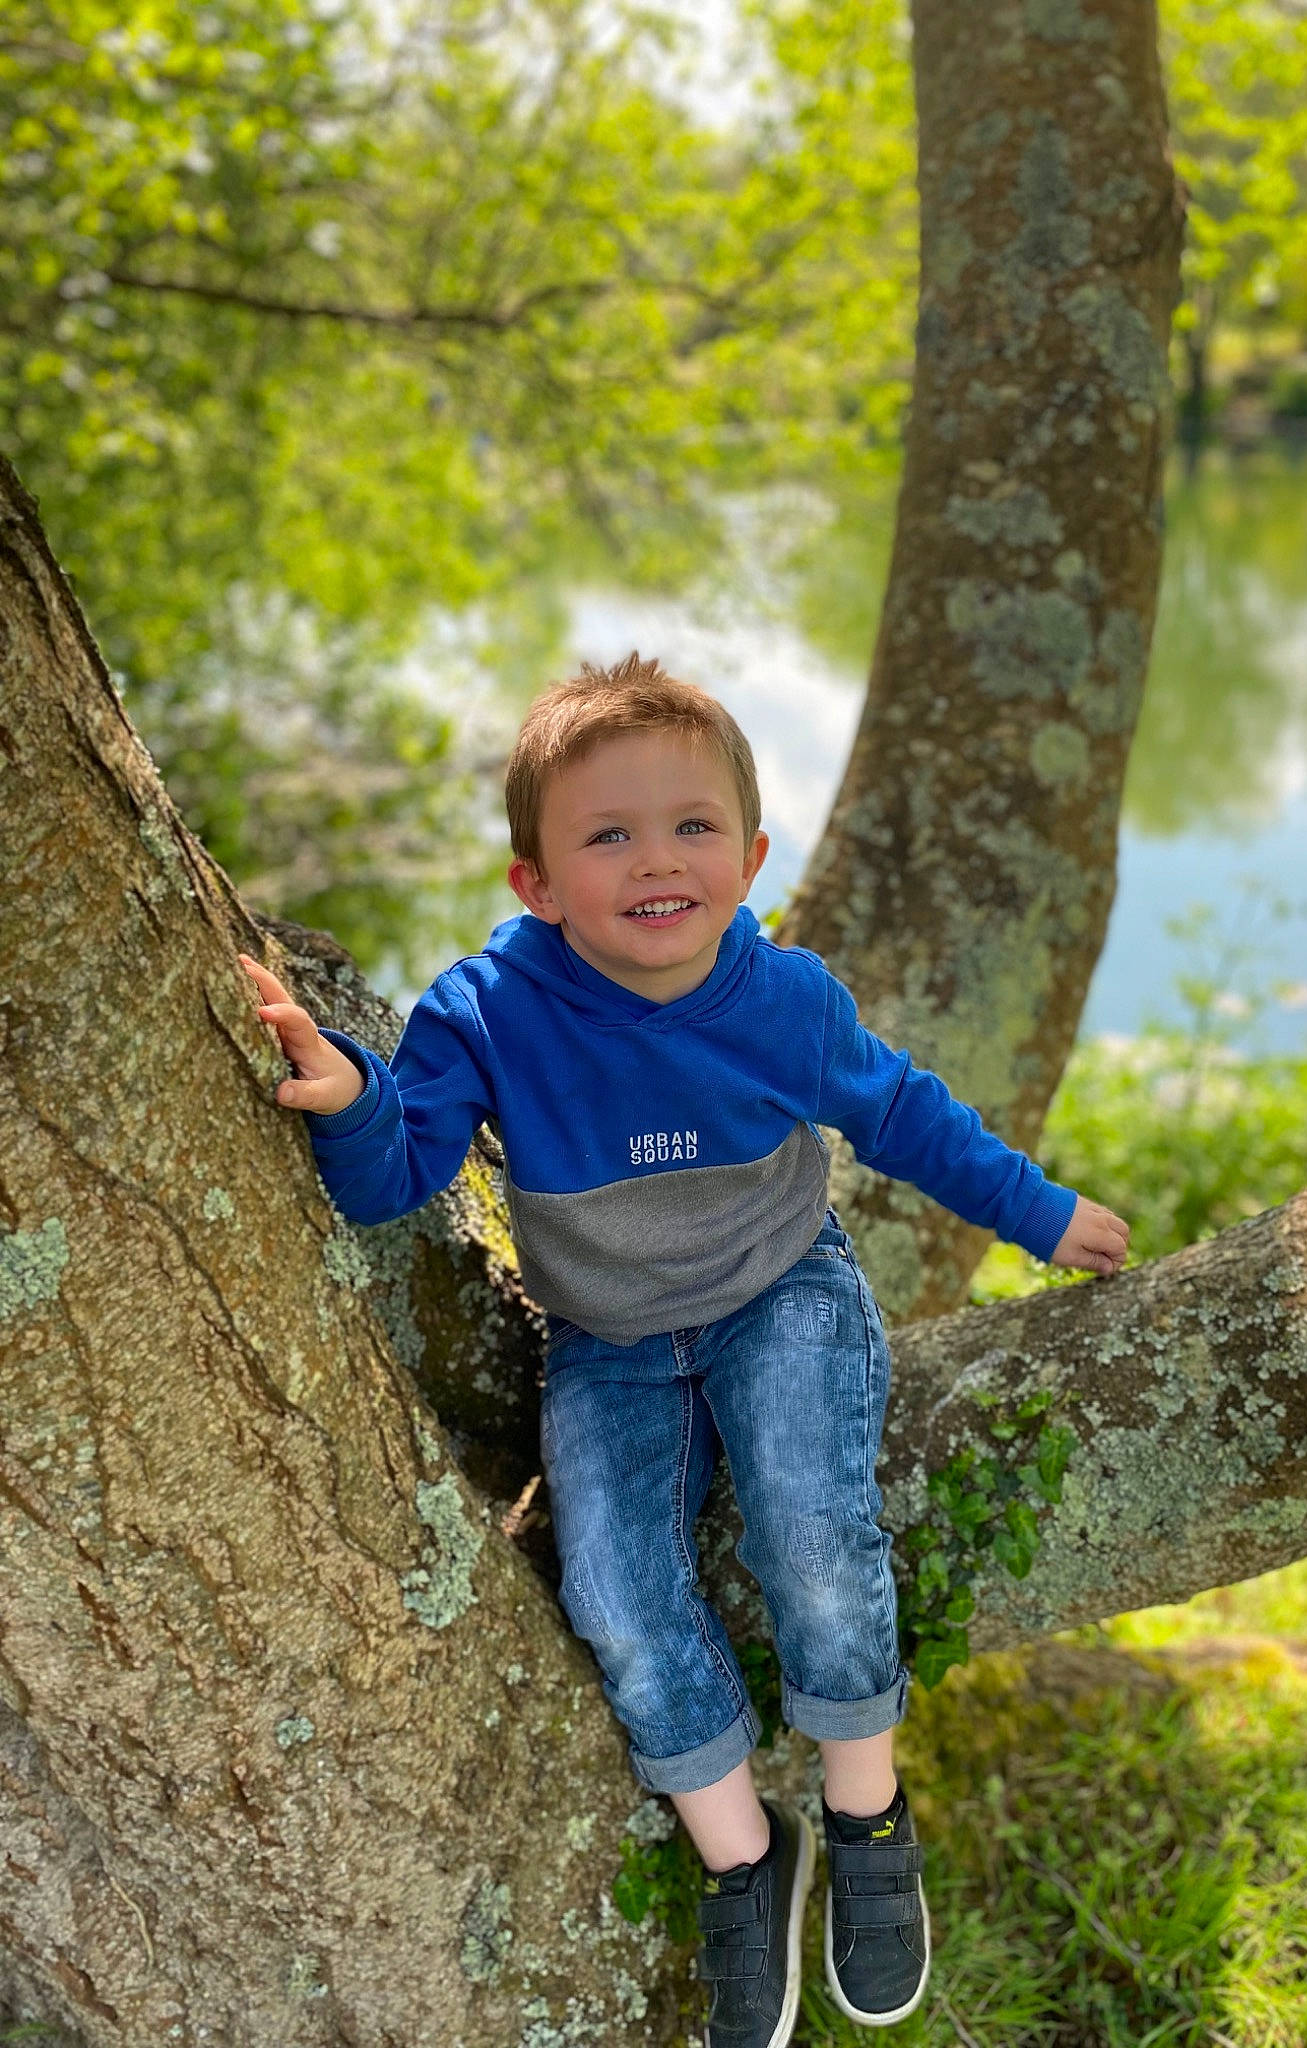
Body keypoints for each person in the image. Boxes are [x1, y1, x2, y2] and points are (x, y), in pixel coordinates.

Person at [238, 652, 1130, 2046]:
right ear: (537, 882)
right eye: (610, 835)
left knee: (812, 1525)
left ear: (753, 857)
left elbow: (904, 1116)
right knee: (612, 1586)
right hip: (608, 1342)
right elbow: (394, 1174)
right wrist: (353, 1095)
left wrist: (1040, 1212)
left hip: (782, 1292)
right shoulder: (489, 1007)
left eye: (693, 827)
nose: (658, 861)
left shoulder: (784, 1000)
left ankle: (868, 1814)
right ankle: (745, 1858)